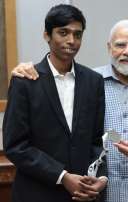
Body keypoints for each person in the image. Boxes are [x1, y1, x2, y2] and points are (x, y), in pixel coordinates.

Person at [11, 19, 128, 202]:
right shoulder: (88, 81)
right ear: (109, 47)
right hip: (99, 192)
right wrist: (25, 69)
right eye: (120, 45)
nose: (127, 51)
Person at [3, 4, 107, 202]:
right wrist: (63, 176)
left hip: (83, 195)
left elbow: (96, 140)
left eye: (77, 35)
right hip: (36, 193)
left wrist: (98, 178)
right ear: (47, 35)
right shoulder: (25, 80)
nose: (71, 41)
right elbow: (15, 145)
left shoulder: (93, 81)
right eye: (63, 32)